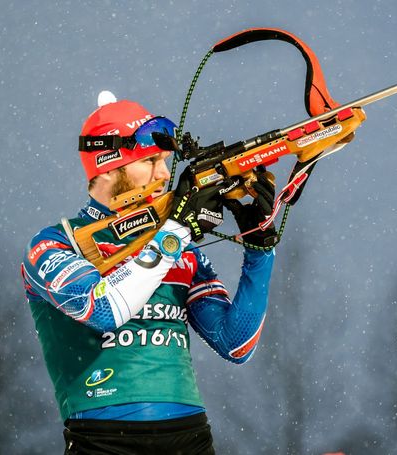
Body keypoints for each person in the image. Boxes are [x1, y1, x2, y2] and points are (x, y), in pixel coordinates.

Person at [21, 92, 277, 454]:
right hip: (102, 439)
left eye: (166, 161)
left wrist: (260, 250)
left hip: (190, 435)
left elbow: (236, 343)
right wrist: (175, 233)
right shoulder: (55, 244)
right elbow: (105, 310)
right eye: (152, 160)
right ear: (109, 165)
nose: (163, 173)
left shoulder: (178, 244)